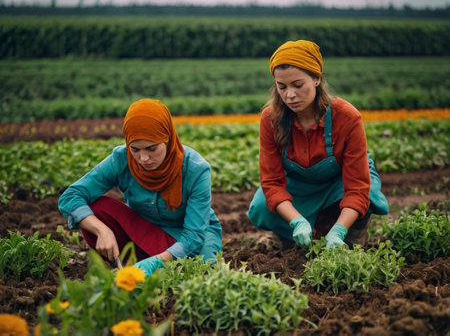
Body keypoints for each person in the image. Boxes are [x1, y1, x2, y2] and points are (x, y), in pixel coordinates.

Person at [247, 40, 388, 249]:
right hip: (299, 185)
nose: (290, 95)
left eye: (298, 85)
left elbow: (356, 187)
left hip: (339, 182)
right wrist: (296, 220)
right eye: (281, 87)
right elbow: (272, 183)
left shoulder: (347, 117)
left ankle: (346, 230)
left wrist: (339, 230)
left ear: (316, 79)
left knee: (366, 195)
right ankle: (290, 232)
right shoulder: (270, 118)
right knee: (261, 205)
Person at [58, 98, 222, 276]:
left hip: (185, 237)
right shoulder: (121, 158)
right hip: (143, 230)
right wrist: (102, 230)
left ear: (167, 138)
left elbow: (194, 236)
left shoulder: (196, 169)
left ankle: (146, 264)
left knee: (201, 269)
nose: (143, 158)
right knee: (99, 208)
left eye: (151, 149)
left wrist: (157, 262)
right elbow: (71, 196)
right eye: (135, 149)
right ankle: (139, 264)